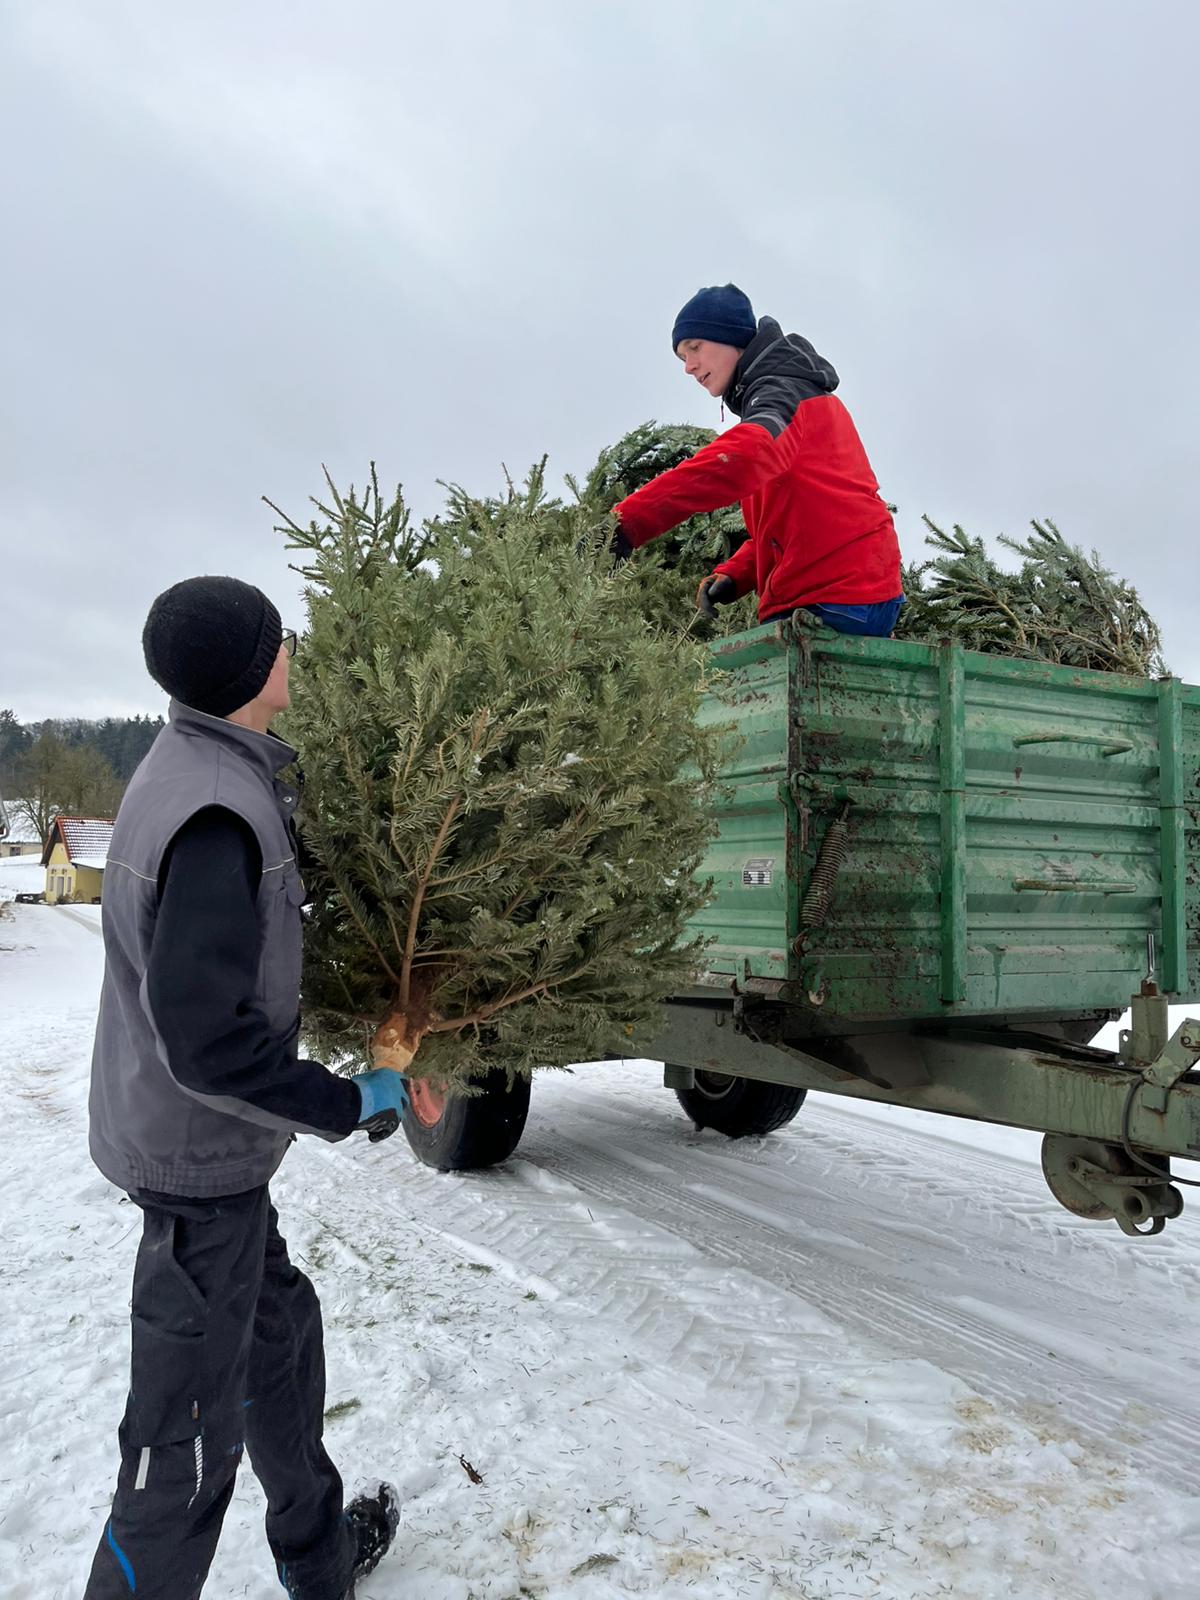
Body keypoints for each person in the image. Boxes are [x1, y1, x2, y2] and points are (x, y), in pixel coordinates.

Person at [83, 576, 414, 1600]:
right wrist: (350, 1101)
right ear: (251, 669)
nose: (292, 652)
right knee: (180, 1456)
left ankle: (318, 1560)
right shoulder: (218, 813)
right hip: (195, 1167)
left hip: (208, 1160)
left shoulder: (201, 765)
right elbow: (207, 1045)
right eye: (280, 640)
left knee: (279, 1343)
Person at [612, 283, 904, 635]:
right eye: (682, 357)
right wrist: (735, 576)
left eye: (695, 347)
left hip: (838, 594)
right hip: (856, 590)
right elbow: (793, 525)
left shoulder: (783, 394)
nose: (689, 366)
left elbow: (741, 457)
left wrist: (627, 524)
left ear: (731, 338)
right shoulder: (783, 396)